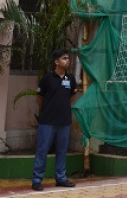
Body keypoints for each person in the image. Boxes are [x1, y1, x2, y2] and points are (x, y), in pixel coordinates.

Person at [31, 49, 78, 191]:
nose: (67, 61)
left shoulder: (70, 78)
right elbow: (39, 98)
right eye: (64, 58)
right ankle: (37, 180)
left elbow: (72, 96)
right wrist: (46, 110)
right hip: (47, 121)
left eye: (68, 58)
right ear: (56, 62)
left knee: (62, 150)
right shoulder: (47, 78)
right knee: (42, 150)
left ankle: (61, 178)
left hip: (64, 121)